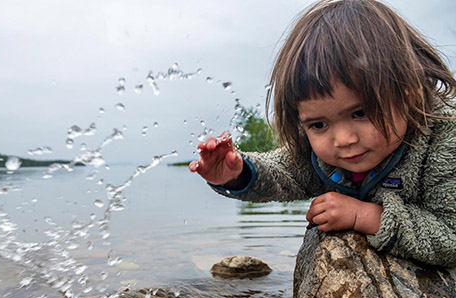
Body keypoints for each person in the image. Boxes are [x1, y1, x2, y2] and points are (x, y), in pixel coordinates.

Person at [190, 0, 456, 267]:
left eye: (360, 113)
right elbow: (284, 172)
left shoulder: (444, 138)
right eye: (318, 125)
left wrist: (363, 216)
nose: (343, 140)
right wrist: (237, 175)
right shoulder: (324, 155)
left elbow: (451, 237)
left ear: (410, 95)